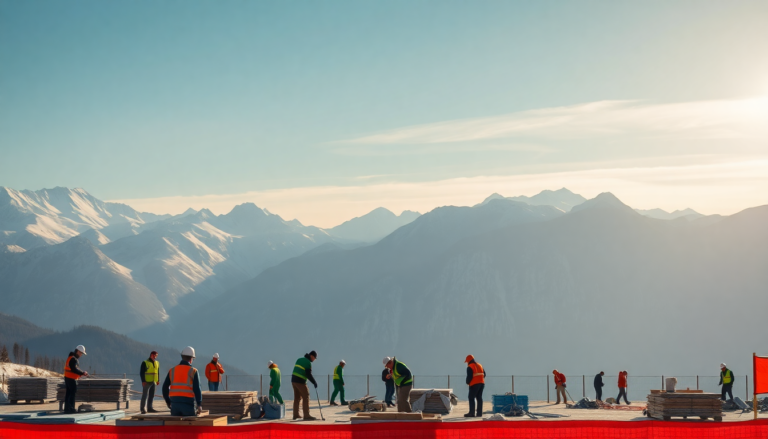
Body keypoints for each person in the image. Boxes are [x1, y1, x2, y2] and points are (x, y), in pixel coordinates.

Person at [162, 346, 203, 416]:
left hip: (174, 404)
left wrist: (168, 402)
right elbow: (197, 389)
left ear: (182, 357)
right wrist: (199, 404)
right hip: (188, 404)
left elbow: (164, 388)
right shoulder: (193, 371)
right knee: (190, 424)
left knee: (175, 426)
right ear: (191, 359)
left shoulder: (172, 370)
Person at [291, 350, 318, 420]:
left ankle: (295, 415)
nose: (314, 360)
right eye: (314, 358)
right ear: (311, 356)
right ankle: (306, 415)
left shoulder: (299, 359)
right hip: (300, 381)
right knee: (306, 396)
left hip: (293, 380)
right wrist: (314, 382)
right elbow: (308, 374)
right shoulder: (308, 362)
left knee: (297, 398)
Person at [63, 345, 89, 413]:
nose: (81, 355)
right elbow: (74, 369)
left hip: (67, 377)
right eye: (81, 353)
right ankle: (71, 408)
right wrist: (82, 373)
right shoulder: (74, 359)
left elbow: (74, 368)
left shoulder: (70, 357)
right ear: (77, 351)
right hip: (71, 379)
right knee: (72, 393)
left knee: (68, 393)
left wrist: (81, 373)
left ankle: (67, 409)